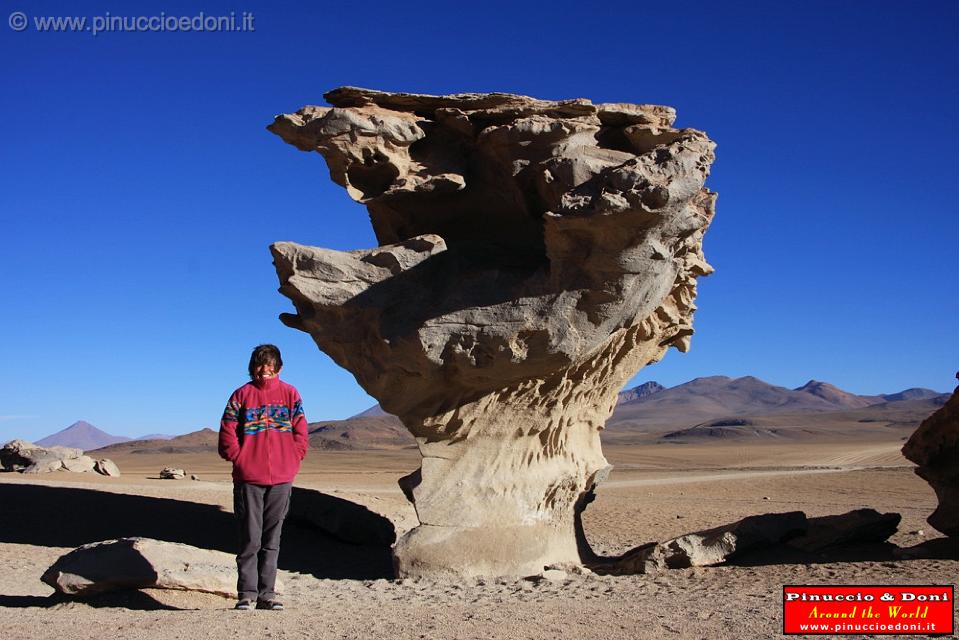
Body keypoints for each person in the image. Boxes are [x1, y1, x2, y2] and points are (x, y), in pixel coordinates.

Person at [218, 344, 309, 611]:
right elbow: (227, 430)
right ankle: (247, 593)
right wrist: (239, 457)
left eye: (269, 365)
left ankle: (267, 594)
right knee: (250, 537)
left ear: (278, 367)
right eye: (259, 364)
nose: (264, 370)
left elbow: (301, 430)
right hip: (249, 477)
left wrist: (294, 456)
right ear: (252, 367)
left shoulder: (290, 394)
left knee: (272, 539)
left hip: (282, 477)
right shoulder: (241, 395)